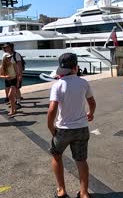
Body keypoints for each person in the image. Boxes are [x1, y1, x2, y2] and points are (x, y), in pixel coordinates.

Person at [47, 53, 96, 198]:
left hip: (63, 129)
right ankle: (84, 193)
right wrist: (90, 113)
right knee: (81, 160)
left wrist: (51, 127)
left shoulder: (57, 85)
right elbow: (92, 102)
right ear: (75, 67)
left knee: (56, 156)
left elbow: (52, 110)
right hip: (81, 128)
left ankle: (61, 191)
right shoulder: (83, 83)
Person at [2, 43, 23, 108]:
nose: (6, 48)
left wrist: (20, 75)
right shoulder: (5, 55)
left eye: (8, 47)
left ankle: (18, 102)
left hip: (15, 75)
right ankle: (13, 102)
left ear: (11, 47)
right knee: (8, 89)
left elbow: (19, 65)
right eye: (5, 47)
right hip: (8, 75)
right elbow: (3, 64)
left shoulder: (16, 55)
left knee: (17, 89)